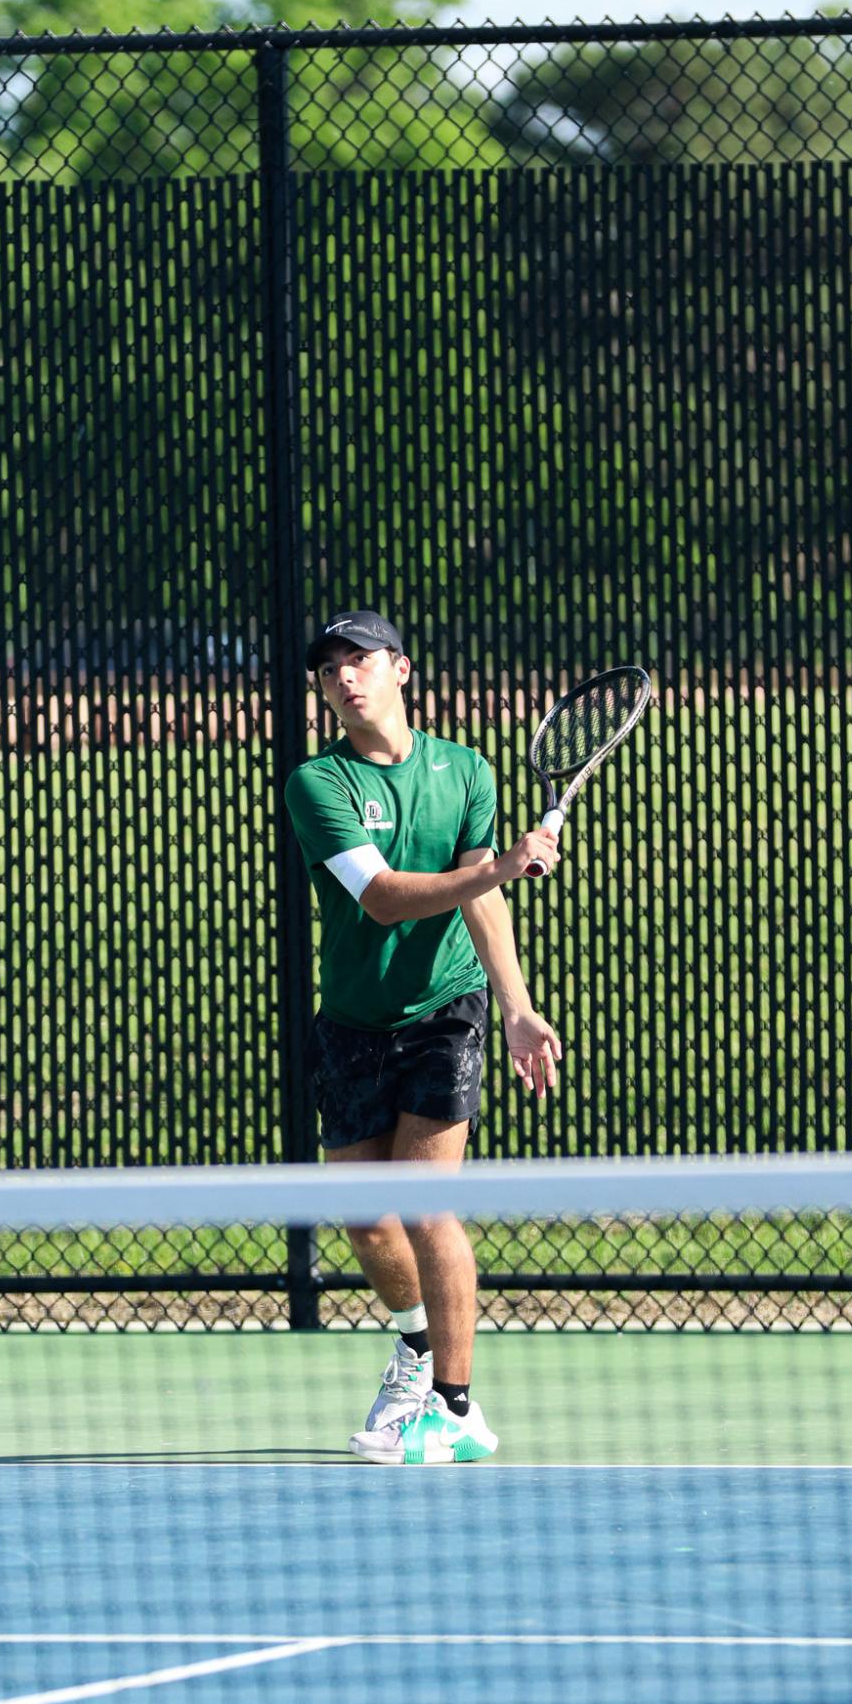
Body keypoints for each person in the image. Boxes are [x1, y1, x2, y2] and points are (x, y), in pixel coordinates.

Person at [283, 608, 563, 1464]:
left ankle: (456, 1405)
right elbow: (384, 895)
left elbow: (481, 902)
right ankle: (414, 1341)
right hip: (354, 1018)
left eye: (358, 660)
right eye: (328, 669)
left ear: (401, 669)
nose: (342, 678)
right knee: (366, 1220)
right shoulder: (316, 784)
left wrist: (515, 1005)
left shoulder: (464, 770)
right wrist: (502, 864)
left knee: (425, 1200)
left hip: (447, 1009)